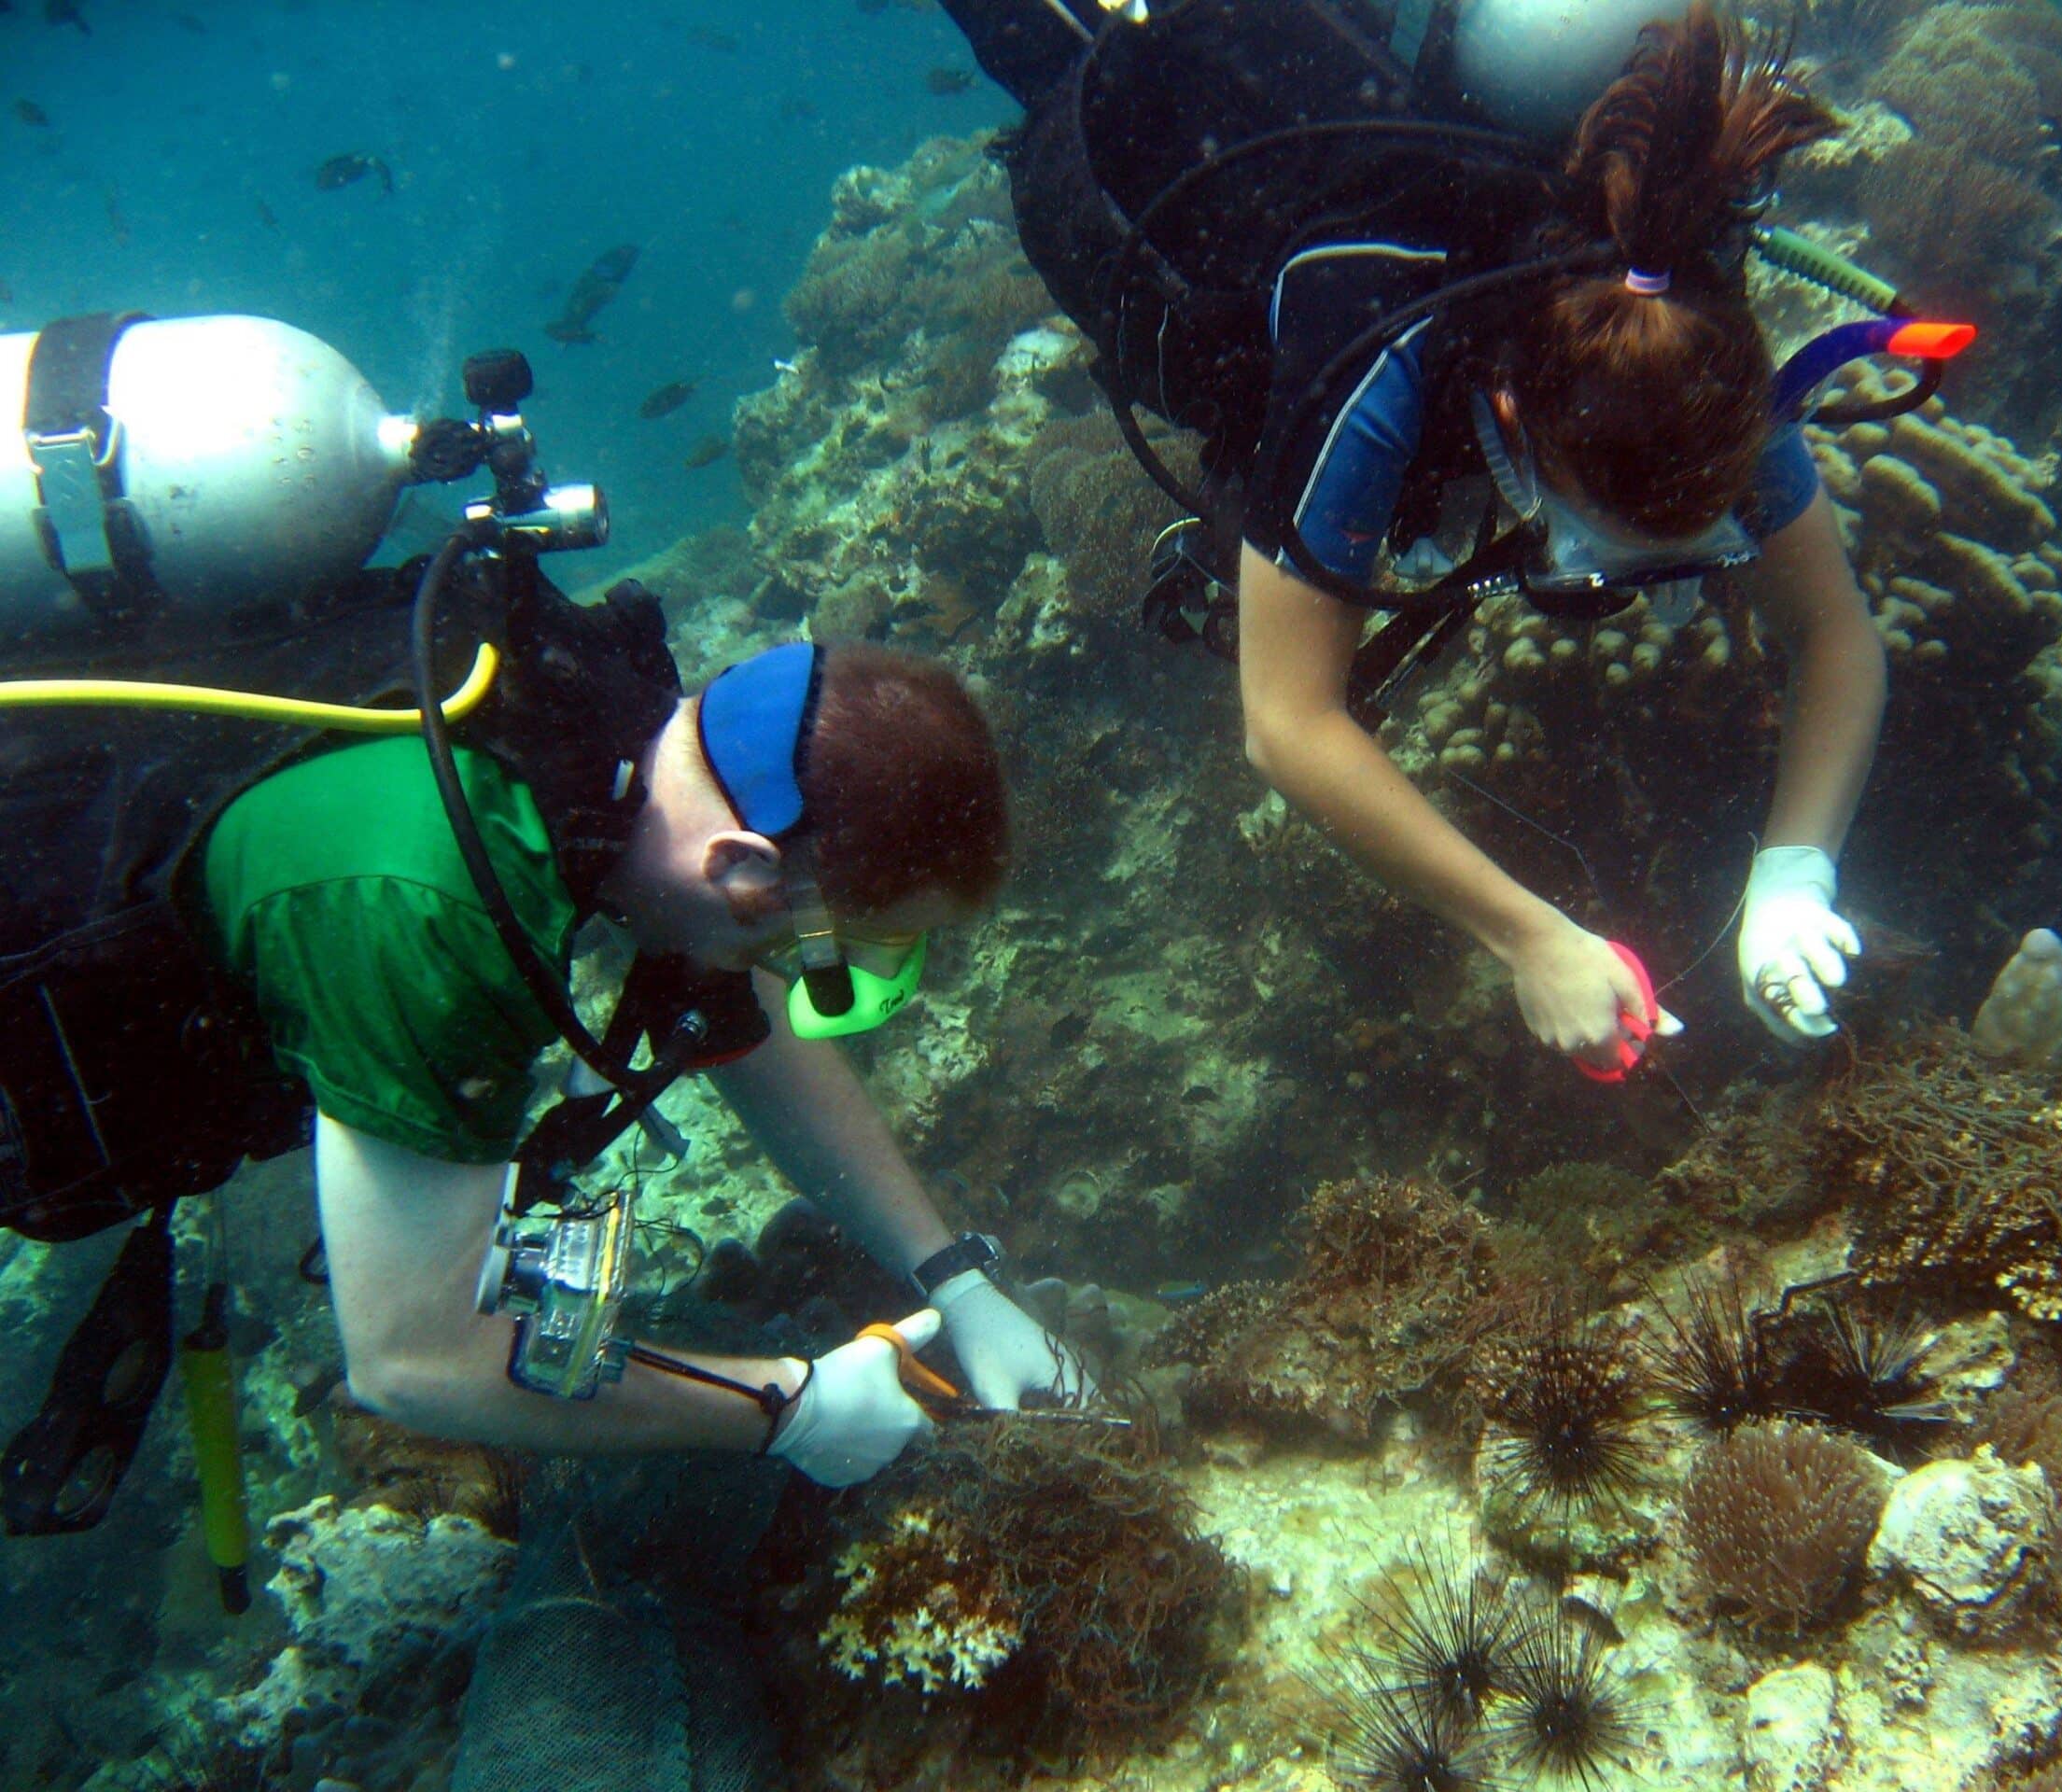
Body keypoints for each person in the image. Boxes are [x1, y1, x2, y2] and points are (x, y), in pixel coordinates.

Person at [936, 0, 1888, 1068]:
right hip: (1134, 162)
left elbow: (1834, 634)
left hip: (1340, 94)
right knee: (1039, 37)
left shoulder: (1693, 349)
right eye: (1603, 543)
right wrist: (1529, 937)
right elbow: (1286, 722)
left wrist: (1794, 877)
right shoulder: (1373, 346)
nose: (1621, 590)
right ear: (1514, 418)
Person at [193, 633, 1085, 1487]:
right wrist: (787, 1409)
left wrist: (952, 1275)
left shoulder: (649, 735)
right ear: (739, 867)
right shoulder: (426, 916)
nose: (791, 975)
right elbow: (411, 1360)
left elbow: (735, 1008)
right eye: (816, 952)